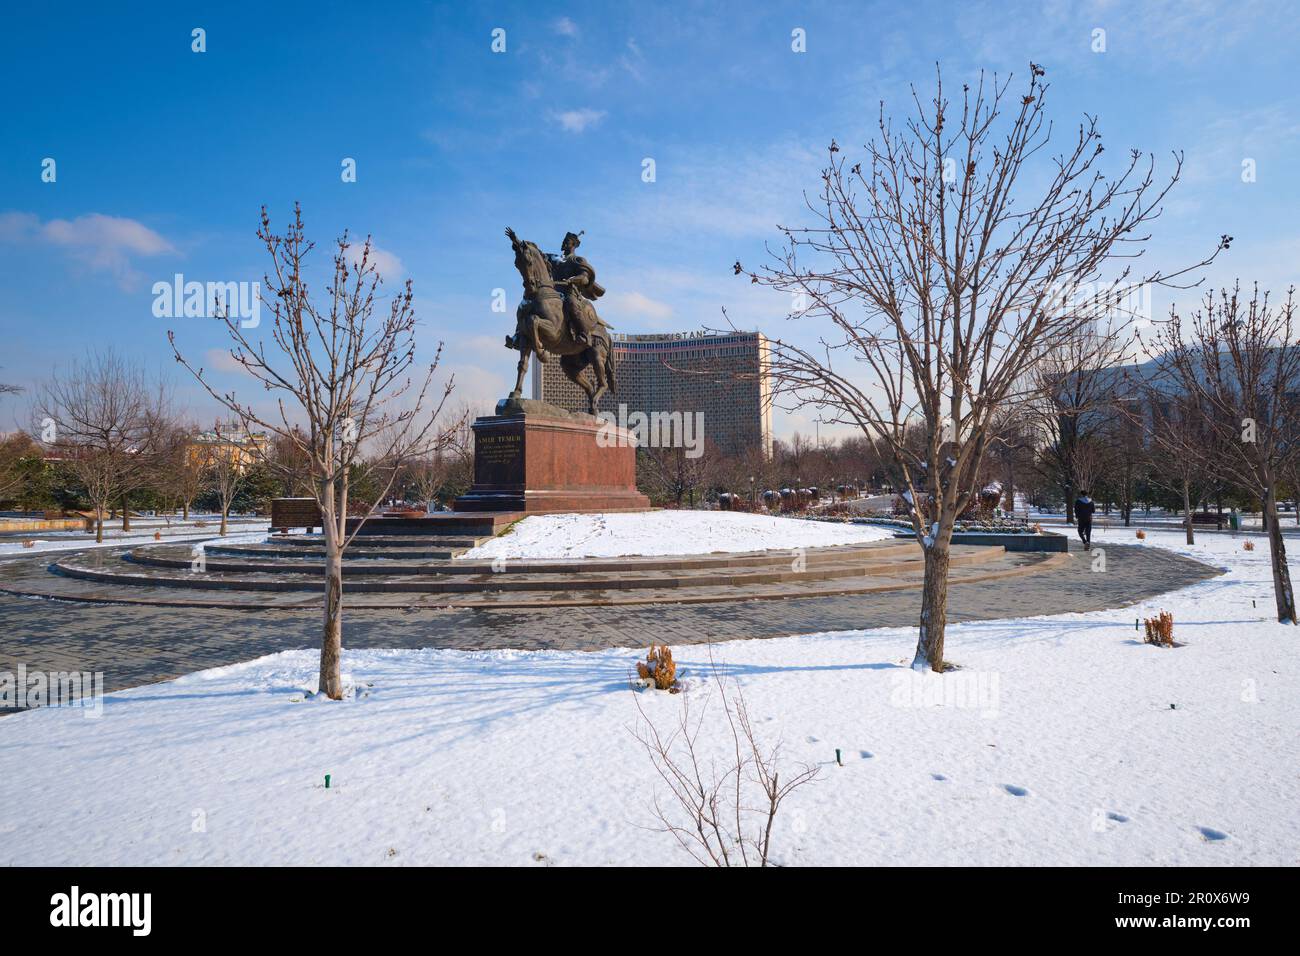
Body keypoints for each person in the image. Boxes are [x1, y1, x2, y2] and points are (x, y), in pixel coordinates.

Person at [547, 231, 606, 346]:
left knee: (571, 304)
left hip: (570, 293)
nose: (564, 243)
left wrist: (572, 280)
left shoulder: (577, 260)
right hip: (555, 293)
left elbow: (585, 278)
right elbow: (537, 255)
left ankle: (583, 334)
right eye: (563, 241)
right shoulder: (555, 259)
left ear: (573, 245)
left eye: (567, 241)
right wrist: (518, 243)